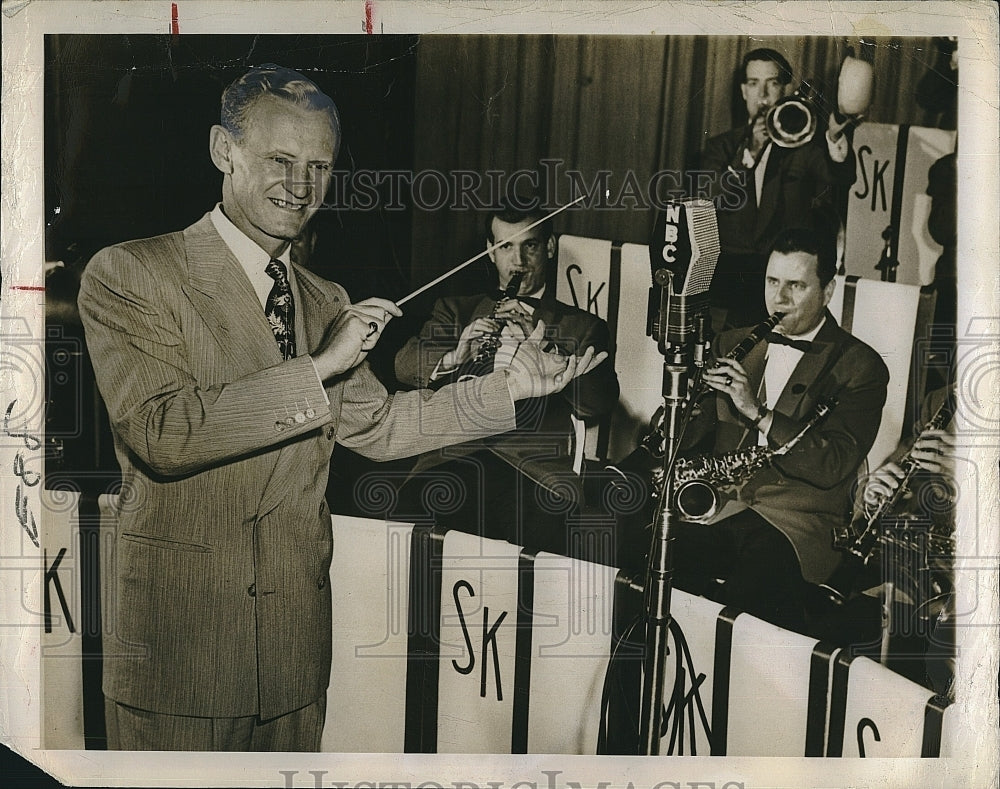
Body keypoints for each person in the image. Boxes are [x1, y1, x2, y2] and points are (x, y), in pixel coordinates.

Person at [77, 65, 605, 752]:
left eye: (320, 166)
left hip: (294, 661)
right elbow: (164, 432)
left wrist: (508, 390)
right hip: (182, 655)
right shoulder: (132, 273)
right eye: (281, 160)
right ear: (222, 150)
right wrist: (319, 367)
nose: (302, 186)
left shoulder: (325, 298)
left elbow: (382, 426)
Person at [668, 220, 889, 632]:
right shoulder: (730, 343)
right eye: (772, 281)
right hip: (720, 510)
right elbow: (694, 439)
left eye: (796, 286)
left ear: (828, 290)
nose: (778, 299)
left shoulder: (861, 366)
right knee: (648, 557)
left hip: (795, 526)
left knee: (746, 607)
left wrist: (757, 411)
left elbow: (834, 463)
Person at [390, 202, 620, 555]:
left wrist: (545, 343)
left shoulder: (581, 326)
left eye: (529, 245)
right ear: (490, 251)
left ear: (550, 247)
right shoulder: (456, 310)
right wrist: (454, 356)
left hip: (531, 474)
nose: (519, 262)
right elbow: (404, 365)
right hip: (452, 461)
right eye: (506, 247)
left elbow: (598, 403)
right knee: (406, 539)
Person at [697, 48, 858, 330]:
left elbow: (841, 178)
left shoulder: (805, 147)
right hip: (732, 285)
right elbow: (709, 200)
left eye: (772, 83)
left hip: (787, 281)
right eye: (753, 83)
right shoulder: (720, 148)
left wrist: (833, 136)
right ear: (743, 91)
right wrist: (750, 153)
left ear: (785, 89)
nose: (763, 95)